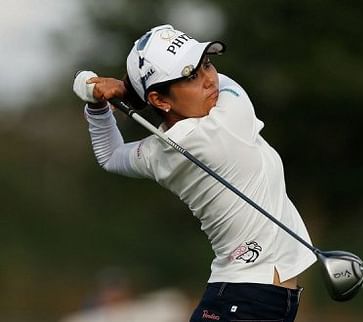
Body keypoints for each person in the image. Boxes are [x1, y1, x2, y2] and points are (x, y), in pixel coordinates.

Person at [73, 24, 317, 322]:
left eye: (206, 64)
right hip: (248, 299)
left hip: (241, 295)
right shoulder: (229, 119)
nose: (208, 80)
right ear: (160, 101)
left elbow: (110, 156)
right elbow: (228, 82)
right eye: (190, 76)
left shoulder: (157, 151)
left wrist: (97, 107)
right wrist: (125, 89)